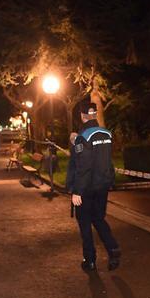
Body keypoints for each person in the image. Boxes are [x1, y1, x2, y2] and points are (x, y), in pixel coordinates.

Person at [66, 102, 121, 272]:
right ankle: (113, 249)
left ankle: (89, 260)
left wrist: (77, 191)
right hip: (102, 185)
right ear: (95, 115)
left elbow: (84, 166)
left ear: (82, 116)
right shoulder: (106, 134)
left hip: (87, 188)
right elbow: (105, 160)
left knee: (84, 223)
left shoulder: (84, 136)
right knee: (98, 218)